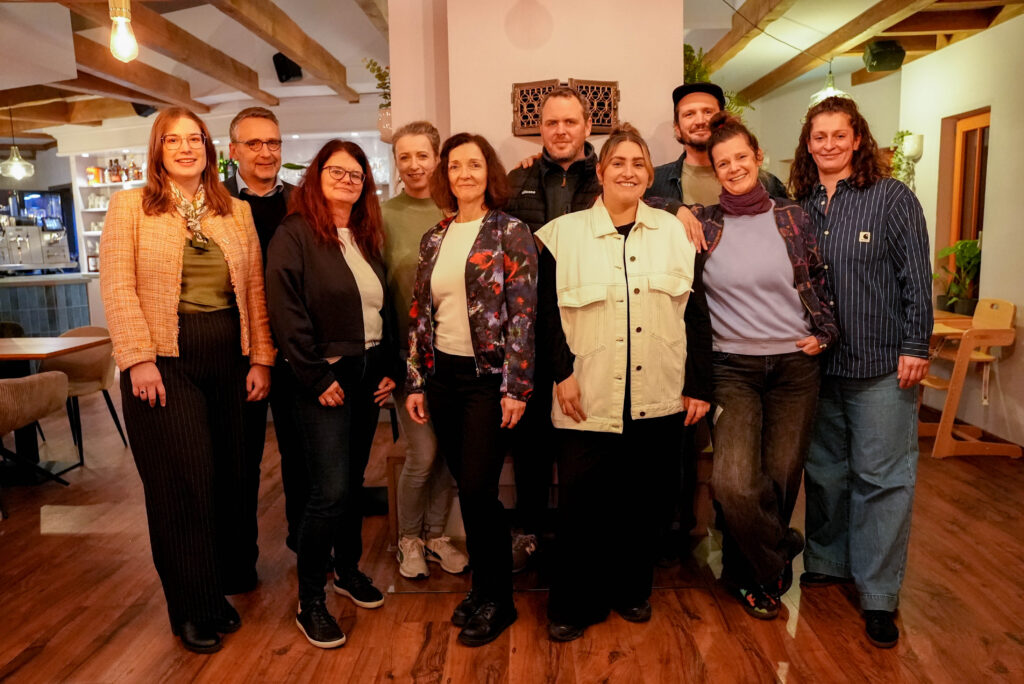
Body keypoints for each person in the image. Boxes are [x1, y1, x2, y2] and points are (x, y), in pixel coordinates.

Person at [100, 106, 275, 654]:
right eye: (172, 140)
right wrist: (138, 358)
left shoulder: (235, 211)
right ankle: (192, 608)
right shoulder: (131, 206)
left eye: (193, 138)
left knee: (226, 482)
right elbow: (117, 286)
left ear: (209, 148)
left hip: (230, 358)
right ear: (157, 150)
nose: (184, 148)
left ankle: (212, 592)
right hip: (164, 363)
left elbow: (253, 292)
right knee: (183, 486)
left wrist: (261, 359)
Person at [505, 86, 701, 572]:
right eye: (551, 122)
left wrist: (677, 209)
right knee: (543, 464)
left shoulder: (654, 216)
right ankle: (540, 545)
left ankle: (629, 574)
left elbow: (693, 310)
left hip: (635, 361)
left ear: (585, 128)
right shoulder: (519, 181)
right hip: (553, 348)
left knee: (636, 485)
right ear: (540, 127)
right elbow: (538, 294)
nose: (560, 130)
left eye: (570, 121)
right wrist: (558, 368)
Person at [534, 124, 712, 642]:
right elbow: (545, 316)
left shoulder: (678, 234)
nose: (628, 171)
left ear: (649, 174)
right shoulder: (561, 236)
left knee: (646, 503)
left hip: (659, 393)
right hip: (585, 394)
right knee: (582, 507)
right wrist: (561, 374)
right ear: (601, 170)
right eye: (619, 162)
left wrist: (698, 385)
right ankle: (574, 602)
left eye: (638, 163)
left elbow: (696, 317)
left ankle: (632, 590)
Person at [790, 96, 932, 649]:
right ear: (808, 144)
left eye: (838, 135)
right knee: (826, 472)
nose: (828, 144)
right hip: (819, 368)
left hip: (881, 364)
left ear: (857, 139)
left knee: (882, 479)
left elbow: (916, 276)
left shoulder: (892, 198)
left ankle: (878, 595)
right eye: (818, 136)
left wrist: (916, 344)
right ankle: (827, 561)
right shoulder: (800, 206)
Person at [692, 113, 839, 620]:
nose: (733, 168)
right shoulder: (704, 222)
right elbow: (641, 196)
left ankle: (753, 578)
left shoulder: (793, 217)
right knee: (732, 483)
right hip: (732, 368)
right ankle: (781, 545)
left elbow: (819, 277)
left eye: (740, 157)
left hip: (796, 368)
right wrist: (677, 211)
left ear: (757, 157)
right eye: (722, 163)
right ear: (713, 171)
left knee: (778, 480)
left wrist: (825, 333)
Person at [645, 82, 787, 564]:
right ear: (677, 126)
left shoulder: (764, 181)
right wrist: (676, 206)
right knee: (682, 433)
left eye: (707, 111)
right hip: (682, 323)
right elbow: (630, 203)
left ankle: (740, 536)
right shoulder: (662, 180)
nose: (699, 119)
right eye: (689, 113)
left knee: (748, 457)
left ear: (722, 117)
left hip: (747, 334)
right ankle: (678, 529)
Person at [265, 140, 399, 649]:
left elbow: (379, 313)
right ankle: (311, 601)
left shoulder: (364, 236)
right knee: (329, 492)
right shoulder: (295, 234)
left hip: (366, 375)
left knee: (352, 480)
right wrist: (317, 377)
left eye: (357, 173)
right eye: (337, 171)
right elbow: (285, 310)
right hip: (322, 376)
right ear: (316, 177)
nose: (347, 180)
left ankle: (347, 571)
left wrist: (386, 369)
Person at [406, 132, 537, 647]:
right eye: (455, 165)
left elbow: (524, 316)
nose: (464, 173)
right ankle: (484, 589)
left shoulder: (510, 231)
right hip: (443, 379)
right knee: (470, 489)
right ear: (446, 174)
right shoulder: (434, 237)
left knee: (480, 490)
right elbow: (420, 314)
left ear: (489, 173)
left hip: (489, 382)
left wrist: (517, 387)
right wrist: (417, 379)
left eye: (474, 164)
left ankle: (499, 600)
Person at [383, 121, 467, 580]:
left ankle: (436, 536)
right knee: (423, 452)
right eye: (404, 157)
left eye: (422, 156)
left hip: (454, 359)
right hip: (406, 359)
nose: (413, 165)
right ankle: (408, 540)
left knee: (451, 454)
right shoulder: (380, 214)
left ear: (438, 159)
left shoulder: (457, 211)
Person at [222, 107, 300, 590]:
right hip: (239, 351)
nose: (266, 152)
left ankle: (307, 547)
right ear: (233, 152)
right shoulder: (216, 205)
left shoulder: (300, 202)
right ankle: (238, 563)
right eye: (254, 144)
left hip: (296, 351)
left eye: (272, 143)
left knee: (303, 459)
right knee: (239, 461)